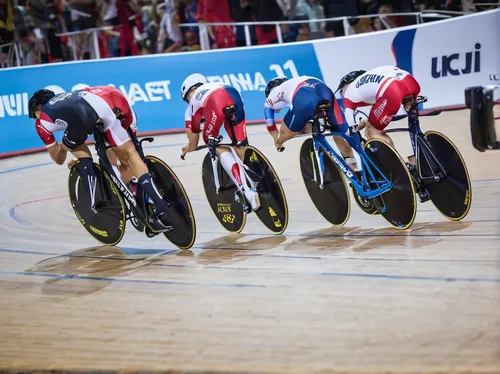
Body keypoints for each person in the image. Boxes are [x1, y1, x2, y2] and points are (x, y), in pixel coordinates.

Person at [29, 87, 171, 232]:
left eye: (35, 114)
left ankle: (93, 201)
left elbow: (58, 159)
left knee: (76, 148)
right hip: (108, 101)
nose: (36, 118)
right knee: (130, 154)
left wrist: (64, 147)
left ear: (38, 107)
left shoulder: (42, 121)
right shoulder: (70, 95)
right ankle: (158, 202)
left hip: (83, 114)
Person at [179, 73, 261, 211]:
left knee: (214, 145)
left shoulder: (193, 102)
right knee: (240, 144)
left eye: (187, 98)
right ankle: (253, 179)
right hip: (234, 95)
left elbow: (193, 133)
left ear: (190, 92)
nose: (188, 102)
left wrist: (190, 147)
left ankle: (246, 190)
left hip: (216, 103)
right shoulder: (214, 84)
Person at [264, 75, 357, 170]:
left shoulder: (273, 96)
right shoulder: (294, 83)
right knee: (342, 133)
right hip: (325, 91)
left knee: (284, 134)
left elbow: (270, 123)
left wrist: (278, 140)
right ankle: (353, 165)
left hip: (304, 96)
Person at [337, 66, 421, 164]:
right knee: (413, 121)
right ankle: (421, 156)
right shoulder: (368, 82)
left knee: (372, 131)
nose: (342, 95)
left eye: (341, 91)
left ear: (345, 87)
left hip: (392, 89)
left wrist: (351, 134)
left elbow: (351, 127)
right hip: (411, 82)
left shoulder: (350, 93)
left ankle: (398, 166)